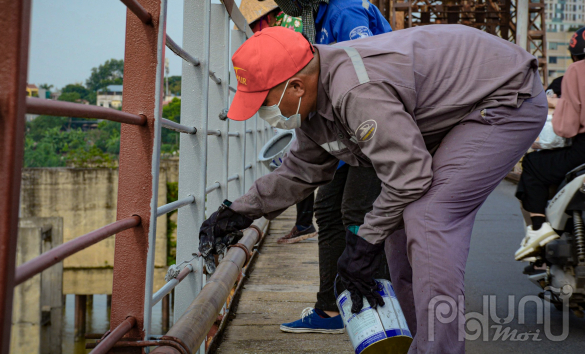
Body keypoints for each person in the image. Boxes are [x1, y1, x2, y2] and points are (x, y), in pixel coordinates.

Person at [199, 24, 546, 353]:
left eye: (263, 102)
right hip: (455, 110)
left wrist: (364, 241)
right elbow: (300, 170)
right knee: (396, 231)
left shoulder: (355, 91)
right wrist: (238, 212)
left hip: (504, 98)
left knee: (428, 217)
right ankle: (420, 342)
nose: (262, 113)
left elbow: (409, 176)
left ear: (297, 87)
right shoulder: (315, 102)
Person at [237, 0, 392, 332]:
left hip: (372, 123)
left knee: (358, 210)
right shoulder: (318, 15)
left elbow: (369, 82)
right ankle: (333, 306)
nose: (279, 2)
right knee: (327, 208)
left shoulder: (344, 13)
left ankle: (375, 304)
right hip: (348, 126)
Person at [240, 0, 317, 244]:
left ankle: (304, 224)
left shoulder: (281, 29)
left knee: (299, 162)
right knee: (300, 162)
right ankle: (303, 223)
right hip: (299, 97)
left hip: (297, 102)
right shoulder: (292, 23)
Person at [515, 26, 585, 260]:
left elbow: (566, 127)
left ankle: (538, 229)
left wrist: (559, 107)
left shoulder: (576, 71)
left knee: (534, 164)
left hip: (582, 150)